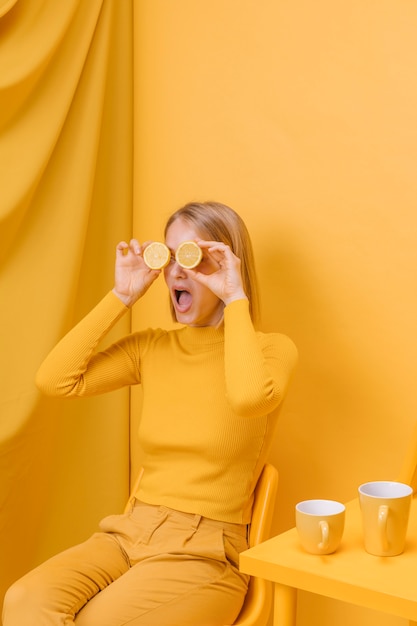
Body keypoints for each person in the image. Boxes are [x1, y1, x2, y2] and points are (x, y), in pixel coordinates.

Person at [3, 201, 298, 626]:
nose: (178, 271)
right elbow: (55, 380)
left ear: (227, 264)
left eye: (194, 258)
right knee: (24, 601)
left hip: (206, 552)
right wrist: (121, 296)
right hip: (128, 533)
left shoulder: (271, 350)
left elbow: (249, 399)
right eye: (172, 256)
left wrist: (236, 298)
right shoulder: (152, 348)